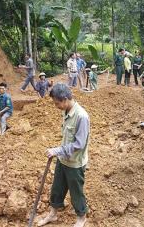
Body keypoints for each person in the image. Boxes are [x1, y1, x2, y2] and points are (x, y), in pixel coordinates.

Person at [38, 83, 89, 227]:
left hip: (75, 163)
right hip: (63, 159)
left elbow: (79, 144)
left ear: (65, 99)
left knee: (76, 191)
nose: (56, 106)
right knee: (57, 188)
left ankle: (81, 217)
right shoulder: (66, 111)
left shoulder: (81, 116)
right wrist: (59, 152)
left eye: (57, 103)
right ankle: (53, 214)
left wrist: (57, 150)